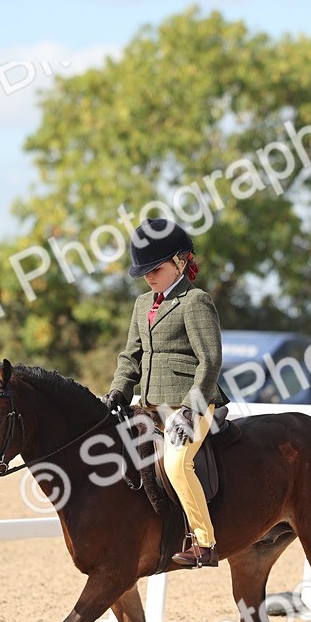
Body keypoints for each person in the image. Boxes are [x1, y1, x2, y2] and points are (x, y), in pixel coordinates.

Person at [102, 217, 228, 568]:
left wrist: (191, 408)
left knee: (176, 462)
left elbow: (211, 359)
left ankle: (205, 543)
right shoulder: (143, 304)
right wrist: (118, 391)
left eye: (154, 269)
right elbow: (131, 355)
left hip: (191, 403)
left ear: (180, 262)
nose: (148, 277)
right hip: (149, 405)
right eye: (144, 272)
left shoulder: (195, 301)